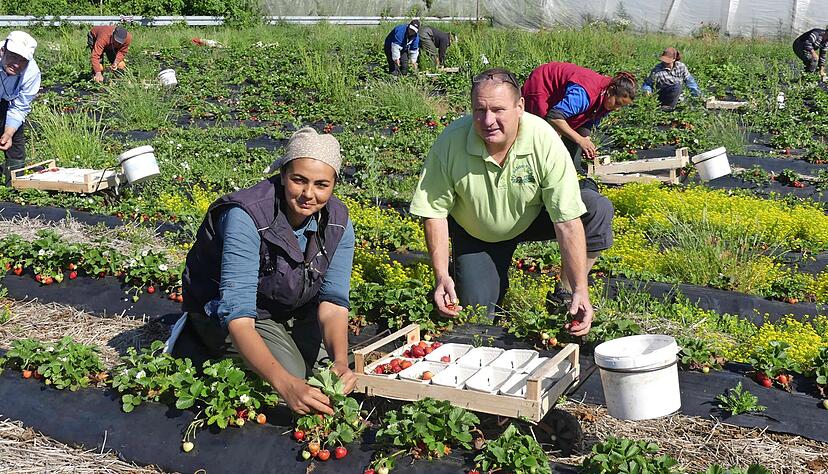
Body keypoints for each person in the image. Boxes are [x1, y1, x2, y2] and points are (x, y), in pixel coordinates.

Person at [410, 68, 615, 337]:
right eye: (479, 110)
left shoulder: (543, 139)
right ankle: (465, 274)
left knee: (595, 207)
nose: (488, 120)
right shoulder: (451, 141)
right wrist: (440, 276)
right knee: (475, 320)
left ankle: (565, 295)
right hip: (478, 232)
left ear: (519, 107)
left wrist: (580, 288)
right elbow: (434, 212)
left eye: (498, 109)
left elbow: (566, 220)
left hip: (533, 216)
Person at [174, 127, 356, 415]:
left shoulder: (338, 223)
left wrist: (341, 362)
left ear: (334, 185)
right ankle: (195, 341)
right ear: (283, 175)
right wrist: (286, 385)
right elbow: (239, 316)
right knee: (294, 376)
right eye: (299, 180)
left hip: (285, 307)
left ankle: (284, 343)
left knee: (328, 375)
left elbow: (333, 302)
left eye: (322, 184)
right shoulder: (246, 216)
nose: (309, 194)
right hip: (230, 312)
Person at [521, 62, 636, 170]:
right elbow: (554, 117)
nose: (617, 108)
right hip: (543, 84)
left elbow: (587, 121)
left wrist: (586, 139)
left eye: (621, 106)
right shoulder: (585, 94)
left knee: (575, 137)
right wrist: (580, 140)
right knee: (543, 133)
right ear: (610, 91)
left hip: (561, 96)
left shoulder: (607, 100)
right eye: (617, 103)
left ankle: (570, 170)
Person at [0, 31, 40, 185]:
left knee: (15, 143)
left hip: (8, 102)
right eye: (14, 57)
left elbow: (20, 107)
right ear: (3, 51)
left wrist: (8, 133)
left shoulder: (31, 72)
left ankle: (14, 185)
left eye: (23, 60)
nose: (17, 64)